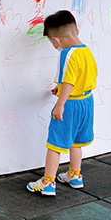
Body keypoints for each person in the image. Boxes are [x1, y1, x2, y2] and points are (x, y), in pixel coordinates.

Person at [27, 10, 97, 196]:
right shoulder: (87, 51)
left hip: (71, 105)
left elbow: (69, 81)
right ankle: (75, 175)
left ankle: (48, 182)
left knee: (55, 143)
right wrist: (60, 90)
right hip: (87, 102)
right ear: (76, 29)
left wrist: (60, 103)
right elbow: (82, 78)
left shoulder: (67, 53)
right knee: (76, 142)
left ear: (55, 40)